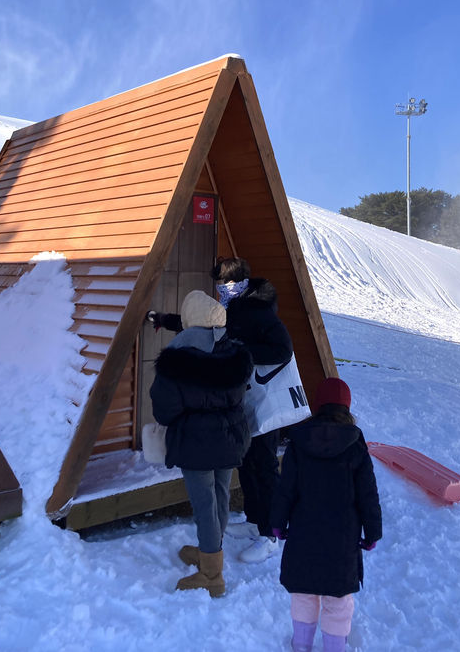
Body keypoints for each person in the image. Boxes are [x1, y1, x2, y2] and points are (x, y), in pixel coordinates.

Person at [148, 256, 294, 564]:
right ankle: (255, 521)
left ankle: (271, 535)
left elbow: (283, 350)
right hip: (242, 398)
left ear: (240, 282)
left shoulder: (260, 310)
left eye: (226, 283)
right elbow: (201, 325)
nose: (221, 290)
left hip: (263, 400)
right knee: (247, 463)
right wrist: (164, 319)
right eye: (219, 284)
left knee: (265, 467)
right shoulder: (229, 309)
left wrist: (239, 355)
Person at [149, 290, 252, 597]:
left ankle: (211, 574)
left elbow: (163, 409)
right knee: (220, 495)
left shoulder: (176, 359)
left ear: (190, 317)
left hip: (195, 442)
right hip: (231, 438)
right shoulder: (234, 353)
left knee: (204, 504)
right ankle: (212, 549)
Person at [270, 377, 382, 652]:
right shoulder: (355, 445)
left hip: (303, 535)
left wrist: (277, 523)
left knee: (304, 594)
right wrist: (373, 532)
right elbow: (368, 493)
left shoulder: (298, 442)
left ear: (317, 405)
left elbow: (285, 488)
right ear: (347, 407)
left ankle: (301, 645)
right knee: (338, 600)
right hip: (342, 540)